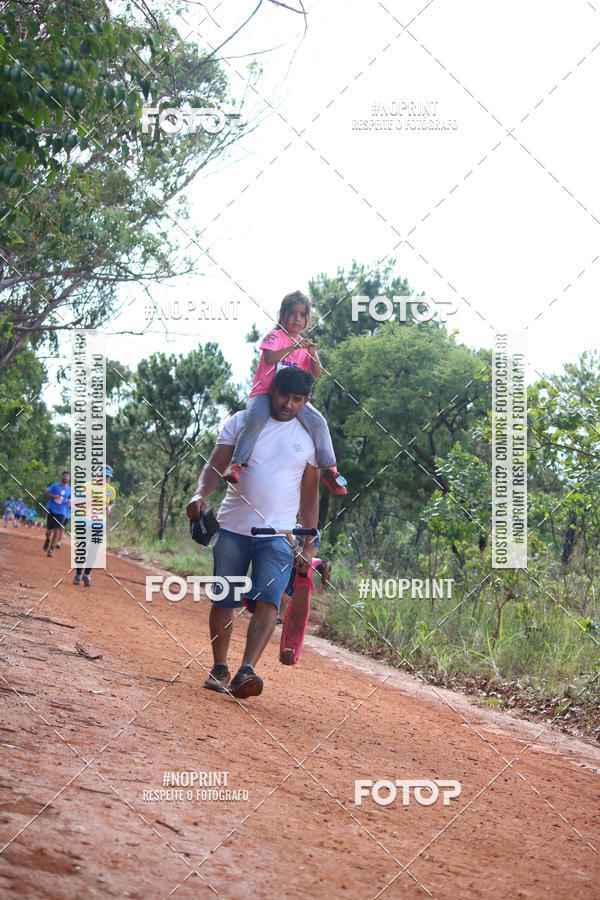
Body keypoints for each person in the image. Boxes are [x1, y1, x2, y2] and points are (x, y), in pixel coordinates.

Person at [186, 367, 320, 699]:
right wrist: (199, 494)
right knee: (225, 598)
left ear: (306, 401)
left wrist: (309, 543)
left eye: (296, 399)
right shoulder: (243, 421)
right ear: (271, 391)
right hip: (232, 526)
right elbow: (215, 465)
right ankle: (220, 667)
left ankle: (246, 670)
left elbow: (310, 494)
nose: (287, 404)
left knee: (269, 600)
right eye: (282, 395)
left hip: (279, 534)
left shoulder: (309, 439)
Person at [222, 290, 347, 496]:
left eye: (302, 315)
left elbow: (317, 373)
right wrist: (293, 346)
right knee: (256, 418)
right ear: (282, 315)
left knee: (319, 422)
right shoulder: (275, 337)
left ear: (307, 319)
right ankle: (236, 464)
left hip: (291, 398)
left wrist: (313, 352)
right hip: (265, 393)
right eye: (292, 313)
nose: (297, 319)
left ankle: (331, 470)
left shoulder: (304, 346)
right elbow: (270, 358)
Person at [73, 465, 116, 586]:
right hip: (84, 521)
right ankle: (78, 574)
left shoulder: (111, 491)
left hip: (99, 524)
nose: (105, 479)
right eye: (102, 476)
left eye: (107, 477)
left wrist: (109, 508)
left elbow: (112, 502)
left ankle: (86, 574)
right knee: (82, 548)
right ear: (97, 475)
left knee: (94, 549)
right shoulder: (87, 486)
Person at [277, 529, 331, 623]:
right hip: (296, 558)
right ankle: (283, 616)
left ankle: (282, 616)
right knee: (288, 590)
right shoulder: (293, 530)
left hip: (300, 558)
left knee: (288, 590)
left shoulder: (297, 531)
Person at [43, 473, 71, 556]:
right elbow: (45, 494)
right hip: (52, 510)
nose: (66, 478)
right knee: (49, 531)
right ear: (62, 477)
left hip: (62, 512)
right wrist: (53, 496)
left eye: (67, 477)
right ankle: (47, 539)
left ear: (69, 479)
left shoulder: (70, 490)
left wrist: (70, 501)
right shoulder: (55, 486)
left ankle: (51, 549)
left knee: (57, 530)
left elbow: (71, 499)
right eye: (64, 476)